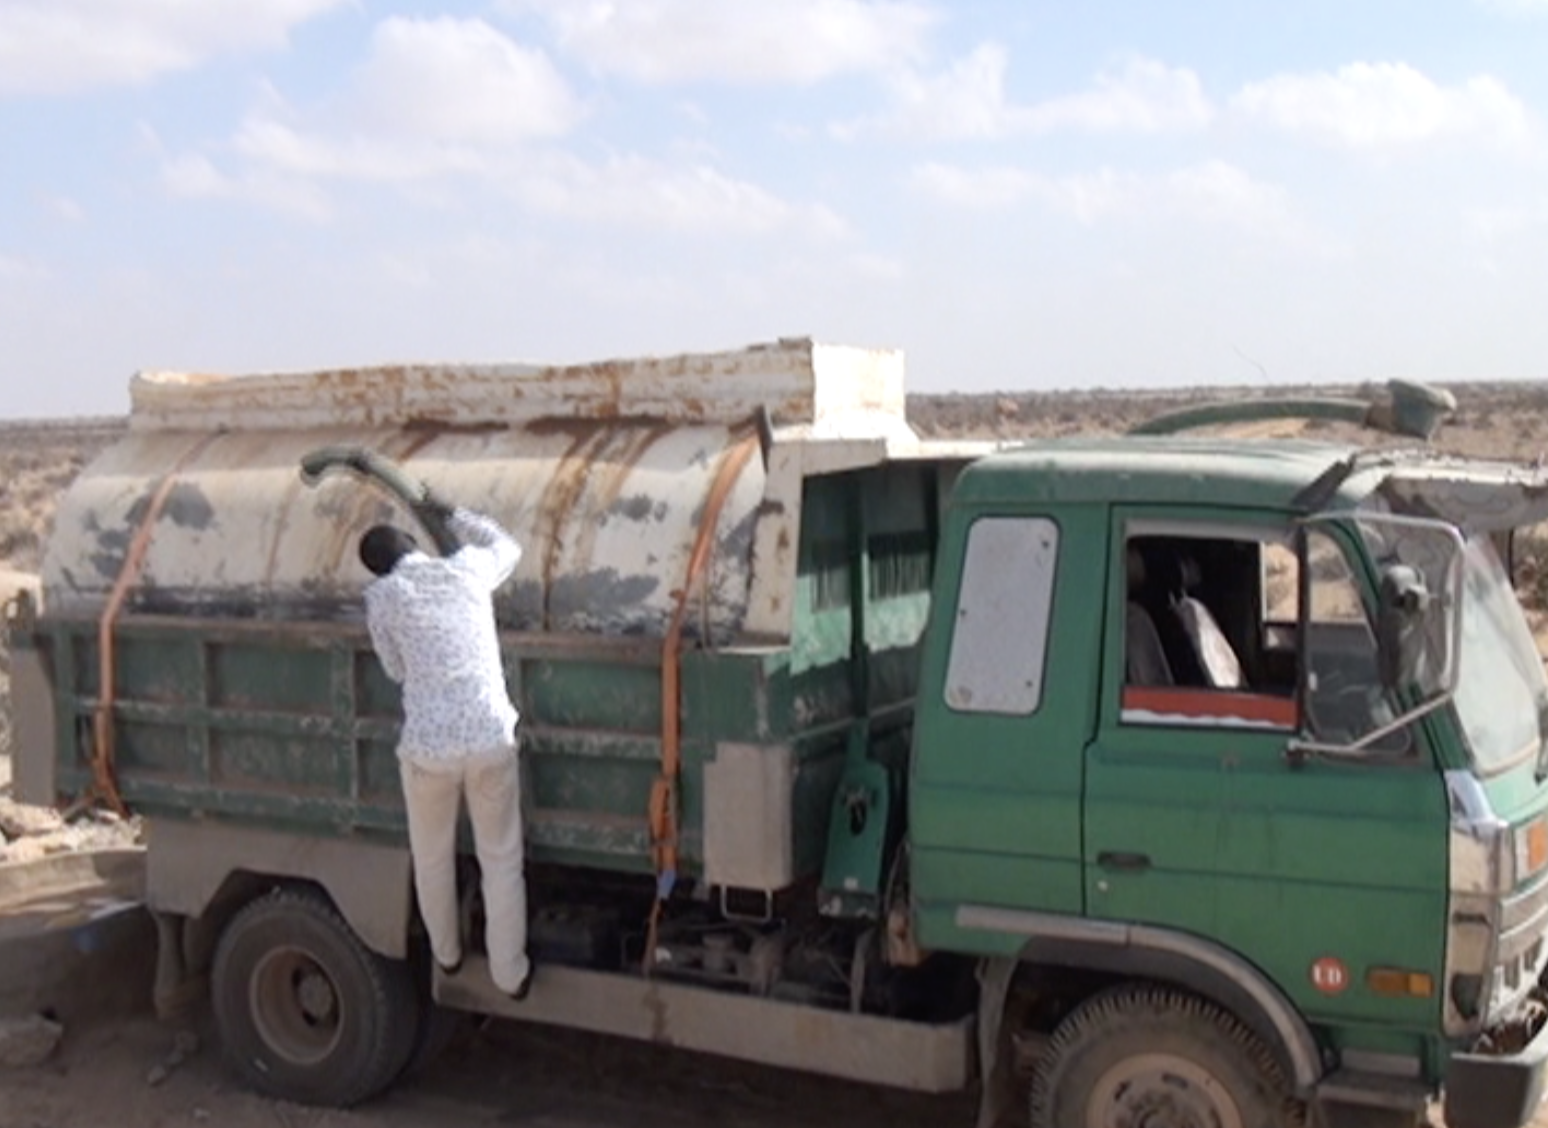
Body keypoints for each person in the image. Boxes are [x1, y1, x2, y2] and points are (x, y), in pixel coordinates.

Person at [359, 502, 533, 1000]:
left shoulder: (382, 597)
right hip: (488, 737)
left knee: (432, 857)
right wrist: (454, 514)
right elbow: (509, 546)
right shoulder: (468, 569)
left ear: (377, 568)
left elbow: (394, 669)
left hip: (430, 749)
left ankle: (448, 956)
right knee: (501, 859)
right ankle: (510, 974)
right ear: (414, 547)